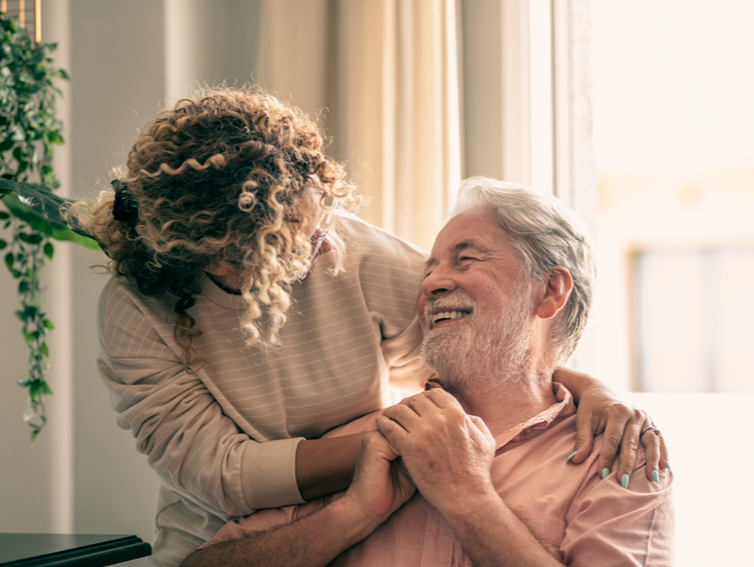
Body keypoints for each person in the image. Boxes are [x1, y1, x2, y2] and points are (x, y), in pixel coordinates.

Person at [69, 88, 666, 567]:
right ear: (227, 254)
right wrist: (393, 472)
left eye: (324, 211)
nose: (329, 238)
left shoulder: (357, 257)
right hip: (226, 527)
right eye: (300, 234)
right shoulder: (137, 313)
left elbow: (493, 343)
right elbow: (226, 479)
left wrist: (592, 392)